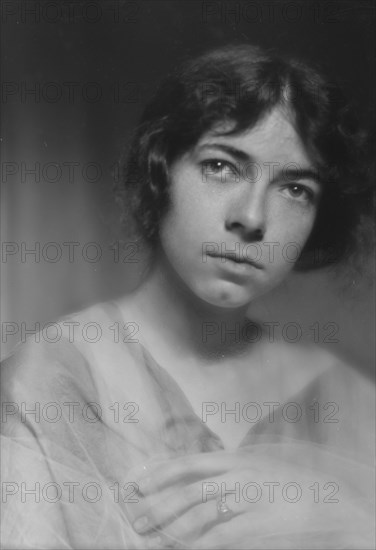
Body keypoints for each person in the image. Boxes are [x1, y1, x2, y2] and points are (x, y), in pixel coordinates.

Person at [1, 43, 374, 549]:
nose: (252, 217)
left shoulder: (345, 398)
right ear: (160, 172)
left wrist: (341, 519)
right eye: (221, 166)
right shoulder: (49, 381)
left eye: (295, 190)